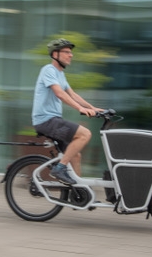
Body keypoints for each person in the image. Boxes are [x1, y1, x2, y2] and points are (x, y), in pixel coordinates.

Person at [32, 38, 104, 184]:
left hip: (53, 120)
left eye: (71, 52)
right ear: (55, 54)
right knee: (85, 134)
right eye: (66, 52)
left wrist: (92, 108)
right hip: (45, 120)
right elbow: (60, 93)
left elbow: (73, 94)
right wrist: (80, 108)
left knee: (75, 156)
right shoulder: (48, 70)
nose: (71, 55)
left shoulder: (60, 74)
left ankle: (79, 190)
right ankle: (59, 168)